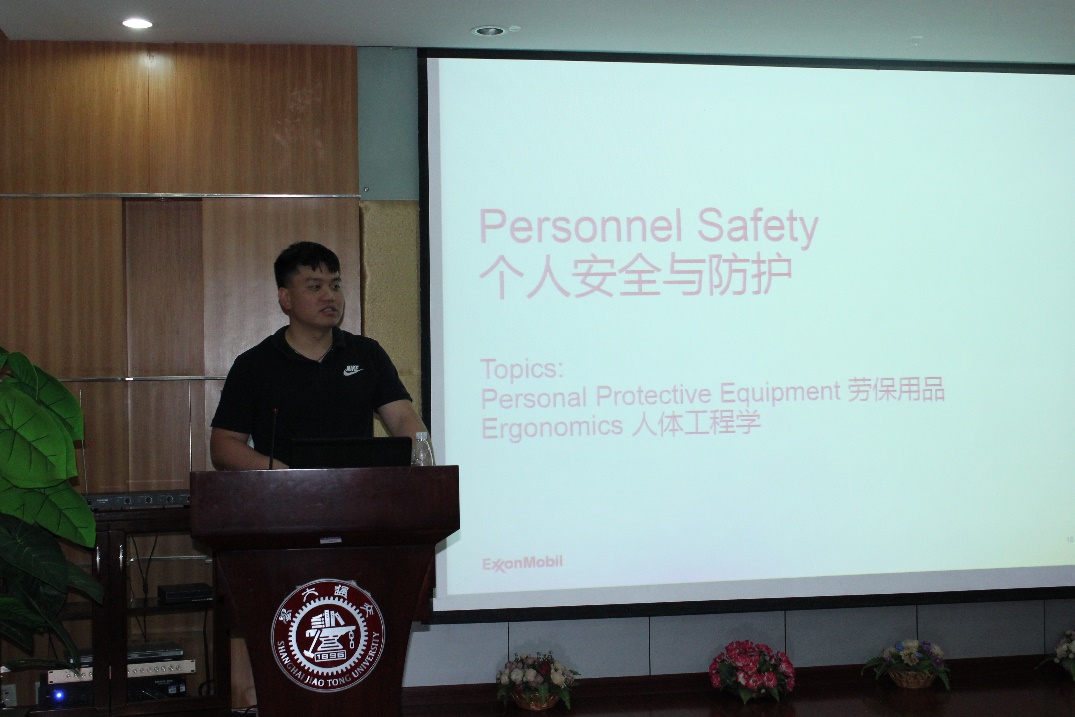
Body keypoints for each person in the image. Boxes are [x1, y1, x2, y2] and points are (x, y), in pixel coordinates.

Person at [209, 241, 426, 470]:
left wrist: (422, 462)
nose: (329, 296)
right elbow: (224, 445)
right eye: (315, 287)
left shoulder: (367, 354)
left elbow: (402, 419)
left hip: (359, 488)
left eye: (335, 286)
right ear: (286, 298)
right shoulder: (254, 364)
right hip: (283, 489)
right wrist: (283, 475)